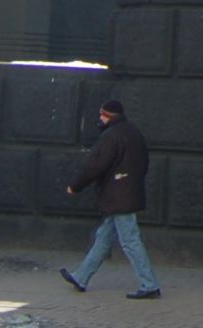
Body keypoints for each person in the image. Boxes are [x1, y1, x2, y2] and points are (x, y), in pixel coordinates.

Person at [60, 100, 161, 299]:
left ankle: (149, 284)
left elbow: (94, 166)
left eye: (101, 115)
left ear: (108, 115)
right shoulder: (133, 133)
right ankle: (81, 277)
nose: (99, 118)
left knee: (130, 240)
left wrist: (75, 186)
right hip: (128, 192)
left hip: (118, 196)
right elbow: (144, 164)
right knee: (104, 237)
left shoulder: (111, 136)